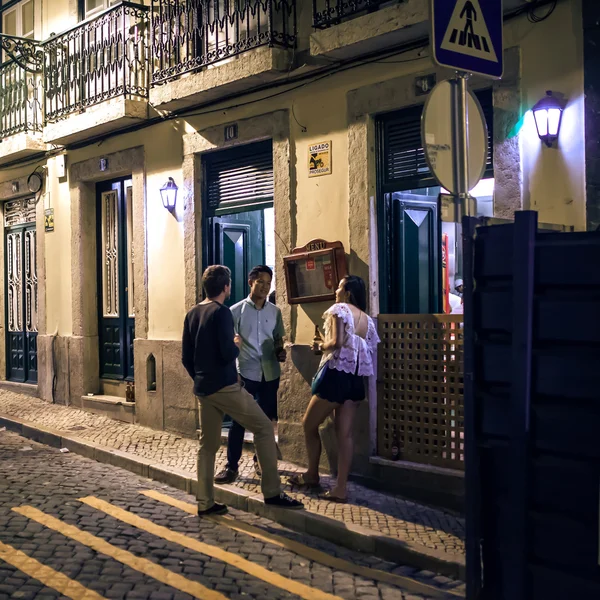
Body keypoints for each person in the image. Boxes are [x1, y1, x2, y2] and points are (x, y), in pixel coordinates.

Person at [182, 265, 303, 515]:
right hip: (225, 385)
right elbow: (228, 352)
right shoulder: (224, 312)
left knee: (208, 445)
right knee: (263, 427)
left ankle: (205, 502)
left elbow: (186, 357)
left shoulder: (193, 313)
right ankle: (272, 492)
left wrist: (201, 379)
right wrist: (236, 345)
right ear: (226, 287)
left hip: (203, 388)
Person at [289, 276, 380, 503]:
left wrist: (320, 346)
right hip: (355, 381)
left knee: (308, 424)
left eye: (339, 287)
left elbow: (337, 342)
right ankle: (341, 488)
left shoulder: (339, 309)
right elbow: (363, 349)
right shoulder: (367, 320)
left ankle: (312, 474)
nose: (336, 290)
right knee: (345, 434)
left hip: (336, 377)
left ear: (347, 292)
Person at [214, 265, 285, 484]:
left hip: (270, 372)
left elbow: (278, 339)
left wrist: (279, 351)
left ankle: (260, 462)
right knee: (238, 421)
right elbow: (228, 343)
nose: (265, 287)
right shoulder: (235, 311)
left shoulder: (275, 311)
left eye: (268, 283)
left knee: (265, 422)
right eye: (261, 282)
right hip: (245, 372)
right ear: (250, 282)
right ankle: (231, 466)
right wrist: (232, 371)